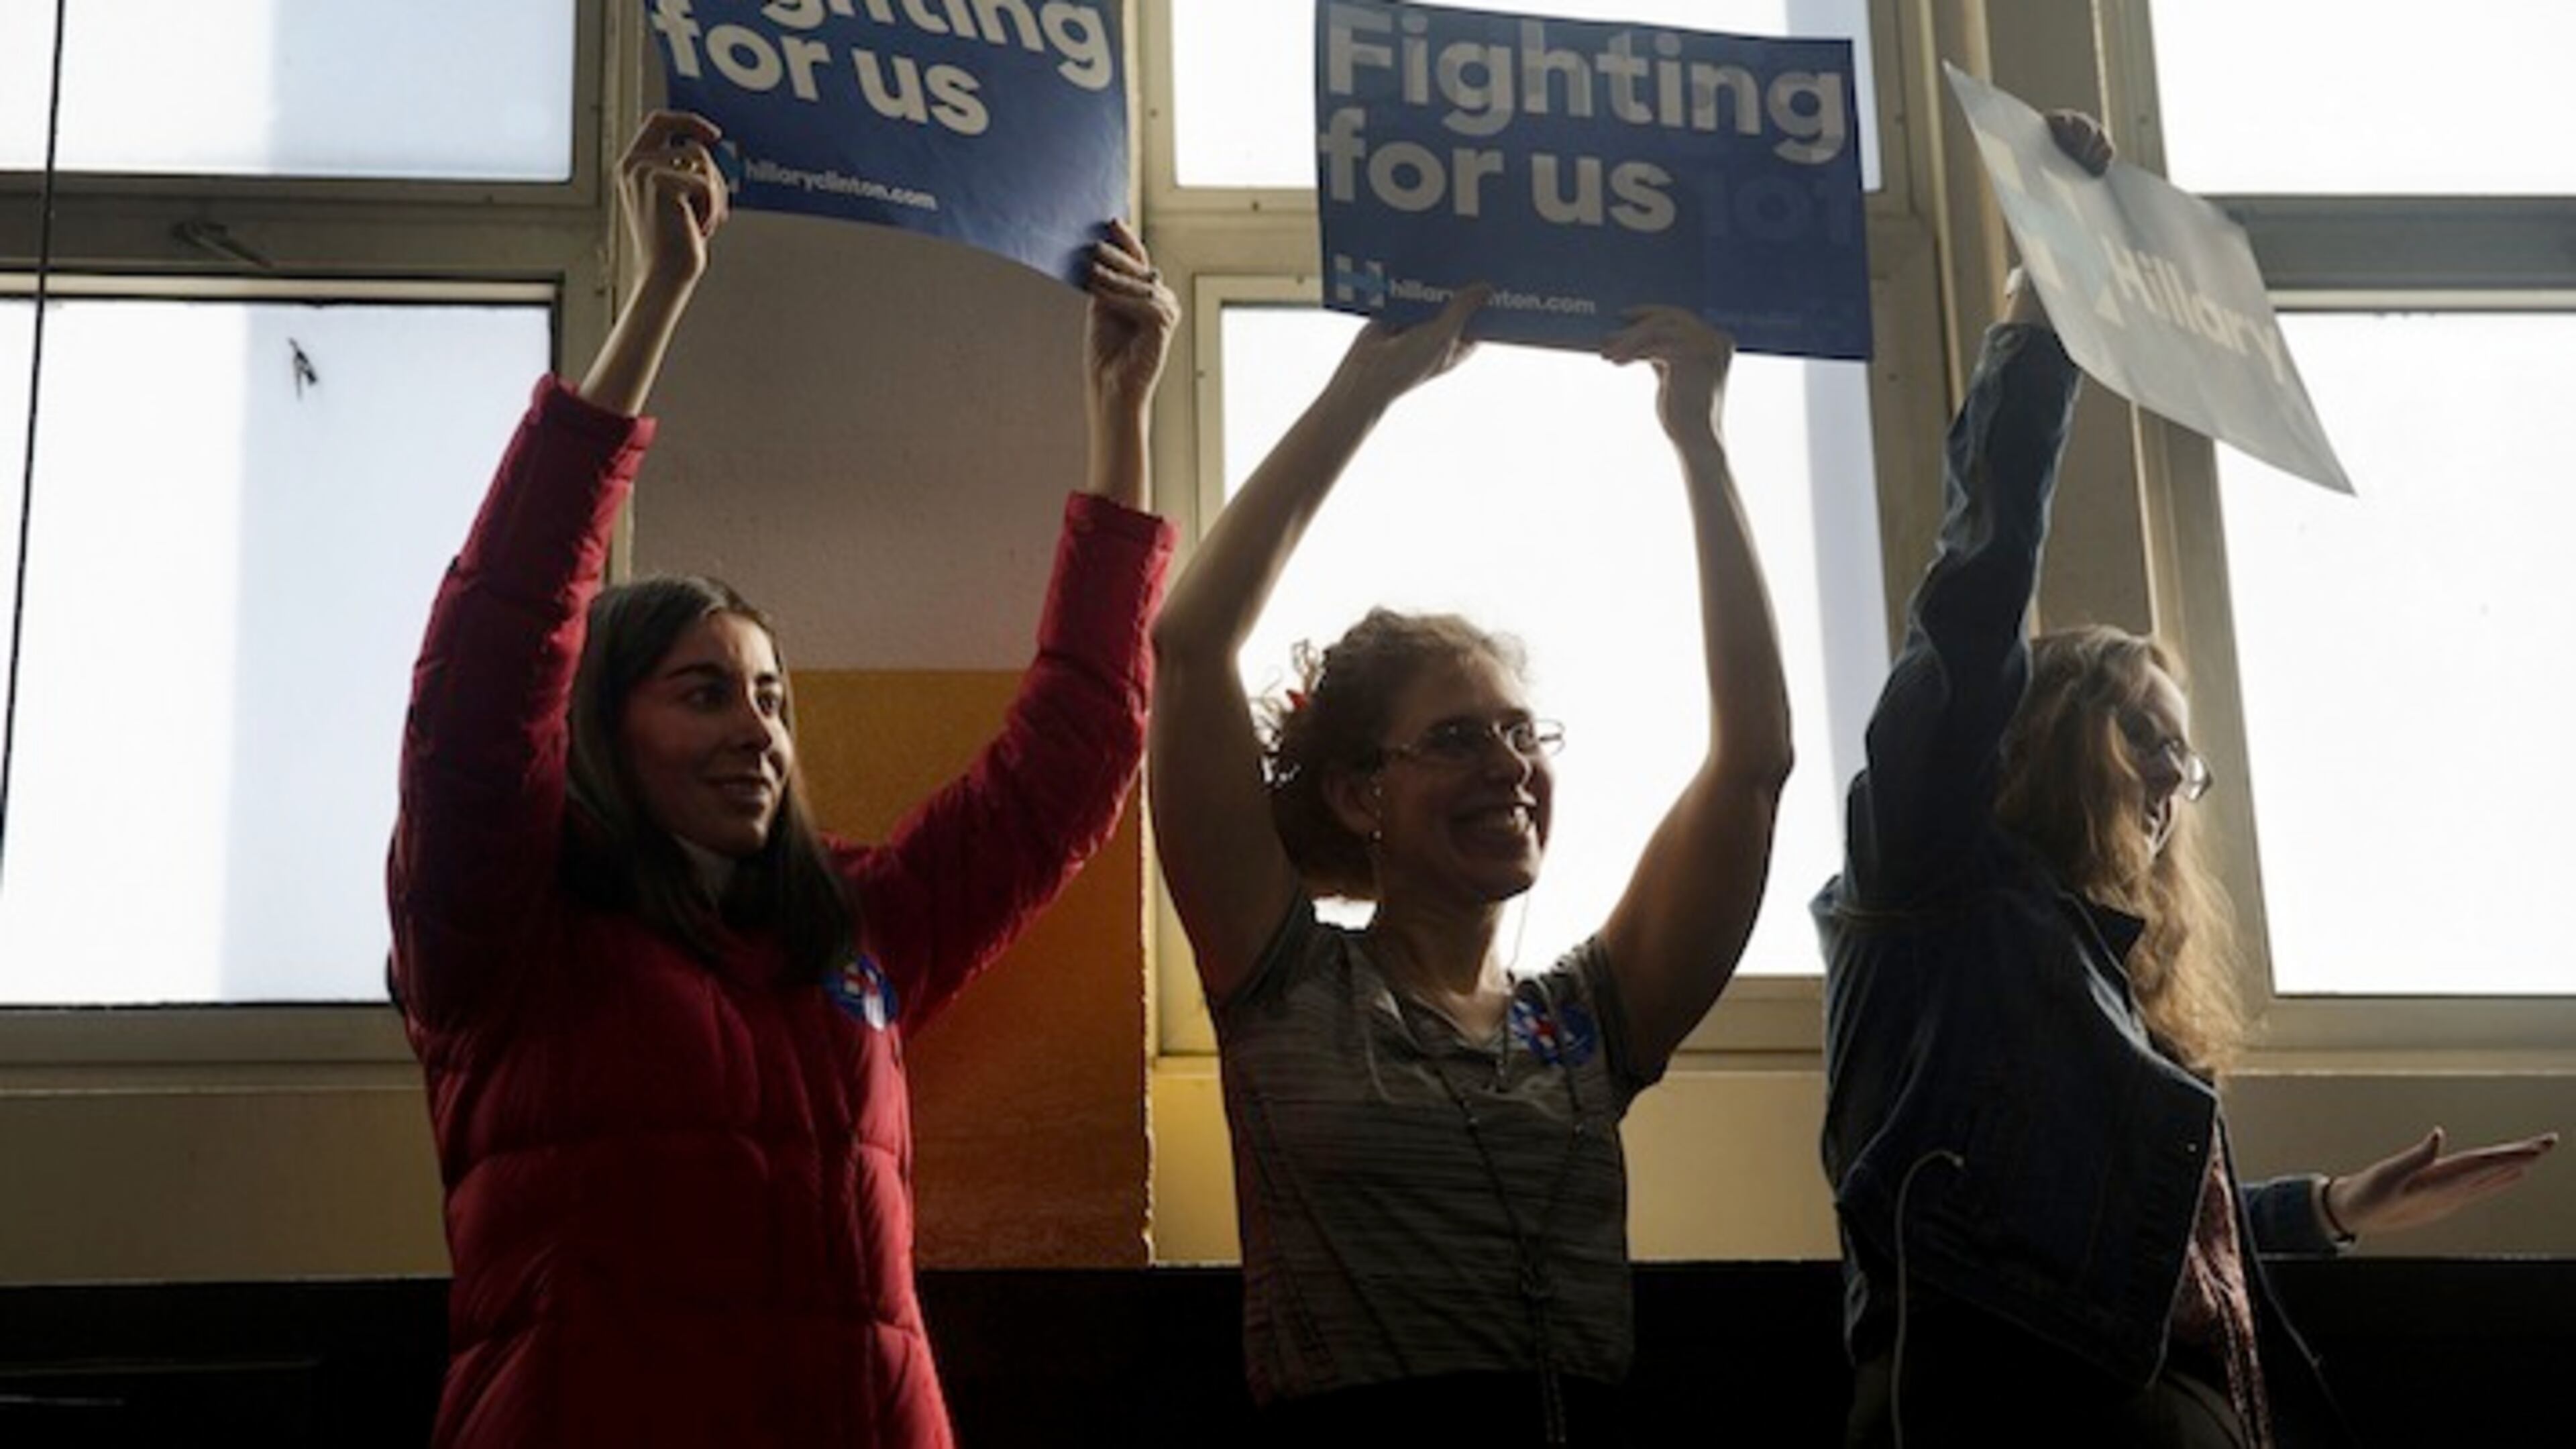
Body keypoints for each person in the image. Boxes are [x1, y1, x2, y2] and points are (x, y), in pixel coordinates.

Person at [386, 111, 1177, 1448]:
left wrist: (1121, 412)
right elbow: (495, 648)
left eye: (774, 697)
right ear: (597, 729)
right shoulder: (502, 938)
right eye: (705, 692)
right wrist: (660, 297)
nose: (758, 730)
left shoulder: (859, 934)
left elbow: (1073, 757)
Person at [1813, 111, 2557, 1449]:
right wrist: (2043, 322)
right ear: (2041, 730)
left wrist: (2328, 1210)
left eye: (2186, 754)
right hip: (2023, 1416)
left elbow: (2133, 1253)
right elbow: (1973, 610)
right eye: (2143, 730)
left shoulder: (2105, 978)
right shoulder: (1937, 889)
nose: (2170, 776)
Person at [1148, 290, 1794, 1444]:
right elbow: (1191, 648)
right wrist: (1363, 394)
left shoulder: (1588, 1021)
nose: (1506, 764)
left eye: (1520, 733)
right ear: (1360, 794)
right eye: (1455, 739)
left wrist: (1699, 438)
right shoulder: (1285, 985)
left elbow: (1753, 766)